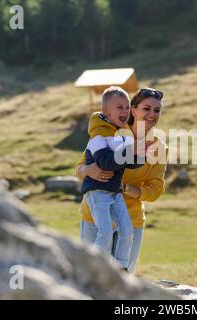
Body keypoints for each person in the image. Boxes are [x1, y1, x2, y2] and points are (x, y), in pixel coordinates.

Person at [76, 88, 166, 273]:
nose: (151, 114)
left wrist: (126, 188)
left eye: (157, 110)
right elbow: (80, 168)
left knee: (123, 283)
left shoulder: (158, 147)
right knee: (90, 279)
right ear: (133, 110)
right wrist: (88, 170)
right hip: (95, 217)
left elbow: (155, 190)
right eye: (146, 108)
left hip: (131, 221)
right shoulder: (111, 132)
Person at [81, 86, 143, 271]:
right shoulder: (97, 137)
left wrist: (140, 155)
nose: (124, 111)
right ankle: (98, 266)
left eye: (126, 107)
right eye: (119, 107)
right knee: (106, 231)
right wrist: (127, 152)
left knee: (126, 230)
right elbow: (106, 162)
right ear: (106, 112)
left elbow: (130, 164)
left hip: (114, 192)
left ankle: (121, 268)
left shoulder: (120, 136)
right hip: (97, 193)